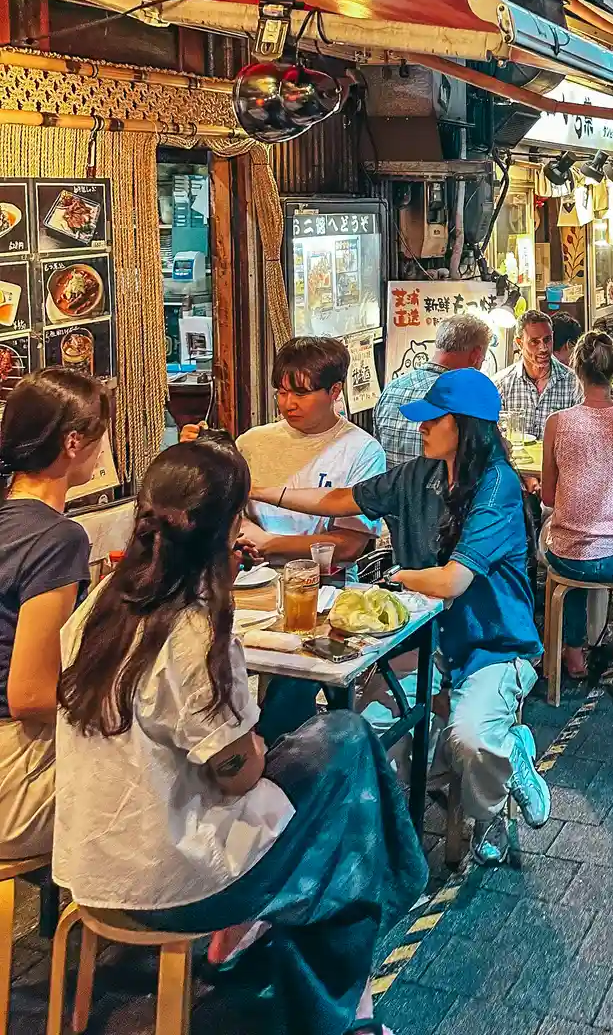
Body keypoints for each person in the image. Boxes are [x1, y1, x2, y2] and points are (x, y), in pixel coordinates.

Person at [54, 438, 427, 1035]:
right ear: (230, 527)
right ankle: (347, 1012)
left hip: (88, 864)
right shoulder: (194, 626)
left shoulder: (97, 605)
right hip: (172, 883)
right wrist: (254, 741)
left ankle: (325, 960)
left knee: (342, 746)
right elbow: (240, 771)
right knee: (346, 817)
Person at [251, 369, 549, 868]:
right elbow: (340, 500)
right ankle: (393, 844)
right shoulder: (420, 475)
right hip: (423, 641)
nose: (421, 428)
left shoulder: (498, 485)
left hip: (492, 646)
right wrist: (262, 491)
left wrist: (396, 577)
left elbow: (453, 581)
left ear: (466, 426)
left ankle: (491, 807)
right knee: (368, 731)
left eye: (433, 419)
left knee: (470, 739)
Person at [0, 370, 108, 861]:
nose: (106, 448)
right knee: (175, 768)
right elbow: (30, 696)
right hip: (13, 780)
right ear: (73, 442)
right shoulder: (56, 540)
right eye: (102, 434)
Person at [541, 331, 613, 680]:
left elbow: (547, 496)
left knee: (563, 542)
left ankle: (572, 651)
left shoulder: (557, 424)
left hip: (570, 557)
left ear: (576, 370)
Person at [212, 338, 386, 566]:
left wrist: (269, 543)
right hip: (250, 576)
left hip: (325, 583)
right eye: (282, 393)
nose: (289, 404)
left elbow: (349, 545)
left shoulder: (363, 451)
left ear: (334, 390)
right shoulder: (252, 441)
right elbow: (228, 511)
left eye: (301, 394)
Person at [375, 314, 491, 464]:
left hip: (388, 487)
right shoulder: (467, 399)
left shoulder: (391, 389)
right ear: (475, 355)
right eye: (483, 359)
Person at [492, 310, 581, 440]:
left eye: (547, 340)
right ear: (520, 342)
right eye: (534, 341)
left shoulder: (573, 383)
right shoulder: (501, 385)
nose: (543, 348)